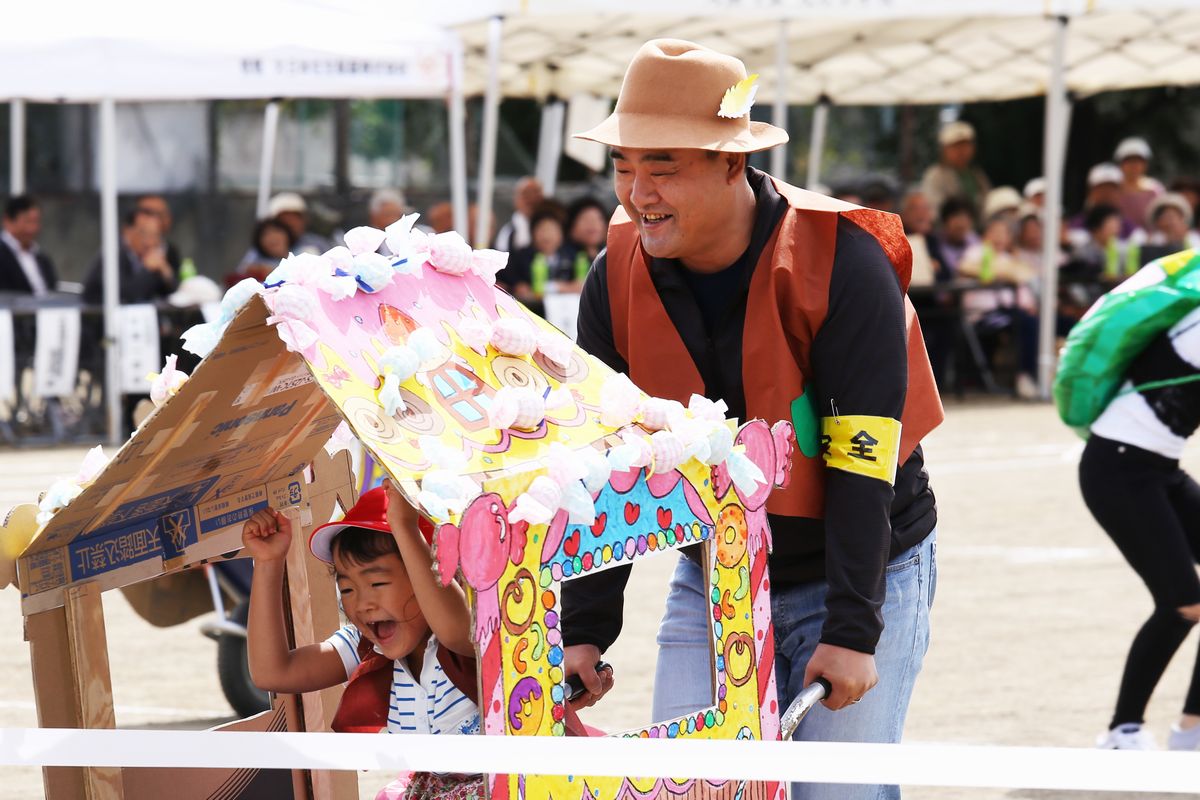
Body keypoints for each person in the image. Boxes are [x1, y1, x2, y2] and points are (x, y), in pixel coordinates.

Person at [560, 39, 943, 800]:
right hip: (717, 570)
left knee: (837, 795)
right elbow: (607, 459)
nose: (637, 192)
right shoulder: (614, 276)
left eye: (662, 165)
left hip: (865, 563)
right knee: (692, 790)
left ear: (732, 163)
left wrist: (852, 631)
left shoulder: (842, 261)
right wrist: (584, 627)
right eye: (623, 166)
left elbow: (864, 464)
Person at [242, 483, 486, 797]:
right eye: (347, 588)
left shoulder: (473, 636)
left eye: (378, 582)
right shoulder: (368, 648)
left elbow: (455, 631)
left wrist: (404, 527)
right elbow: (272, 672)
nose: (362, 603)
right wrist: (268, 563)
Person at [1078, 285, 1200, 752]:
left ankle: (1190, 731)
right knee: (1182, 603)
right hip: (1118, 468)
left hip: (1159, 467)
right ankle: (1121, 731)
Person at [958, 217, 1040, 399]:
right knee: (1025, 323)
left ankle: (1028, 375)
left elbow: (1024, 283)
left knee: (1033, 321)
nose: (999, 238)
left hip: (1007, 311)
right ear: (985, 235)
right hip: (982, 315)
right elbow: (963, 267)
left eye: (1004, 234)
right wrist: (999, 272)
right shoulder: (975, 252)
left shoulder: (1009, 259)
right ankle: (1024, 376)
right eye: (995, 232)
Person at [83, 207, 177, 304]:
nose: (150, 242)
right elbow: (125, 296)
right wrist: (146, 269)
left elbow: (171, 296)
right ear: (127, 231)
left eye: (155, 236)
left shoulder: (150, 258)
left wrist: (166, 274)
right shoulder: (113, 254)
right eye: (144, 234)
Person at [498, 206, 572, 315]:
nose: (547, 235)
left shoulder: (571, 256)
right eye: (542, 229)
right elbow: (512, 283)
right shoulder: (521, 257)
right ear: (533, 233)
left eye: (551, 229)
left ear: (561, 234)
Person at [921, 120, 992, 221]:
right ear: (944, 149)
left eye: (966, 145)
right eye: (956, 146)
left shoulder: (977, 174)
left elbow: (987, 203)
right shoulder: (935, 175)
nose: (962, 151)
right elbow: (934, 209)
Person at [0, 195, 57, 295]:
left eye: (36, 222)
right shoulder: (3, 255)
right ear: (8, 221)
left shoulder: (41, 257)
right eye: (27, 221)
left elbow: (53, 288)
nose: (32, 229)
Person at [1113, 137, 1165, 236]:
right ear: (1121, 164)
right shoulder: (1112, 189)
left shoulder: (1154, 189)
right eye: (1129, 160)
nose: (1133, 165)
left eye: (1138, 161)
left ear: (1145, 164)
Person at [228, 218, 294, 285]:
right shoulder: (254, 262)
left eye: (276, 231)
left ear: (287, 234)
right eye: (265, 234)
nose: (272, 237)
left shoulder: (302, 253)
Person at [493, 176, 543, 252]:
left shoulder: (553, 226)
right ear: (516, 200)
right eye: (526, 194)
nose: (531, 199)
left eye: (536, 193)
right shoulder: (508, 232)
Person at [134, 194, 183, 272]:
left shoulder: (171, 252)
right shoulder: (127, 253)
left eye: (159, 214)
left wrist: (165, 270)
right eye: (147, 212)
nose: (152, 221)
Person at [936, 197, 979, 275]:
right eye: (956, 217)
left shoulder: (975, 241)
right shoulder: (935, 244)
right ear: (945, 221)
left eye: (966, 217)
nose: (961, 223)